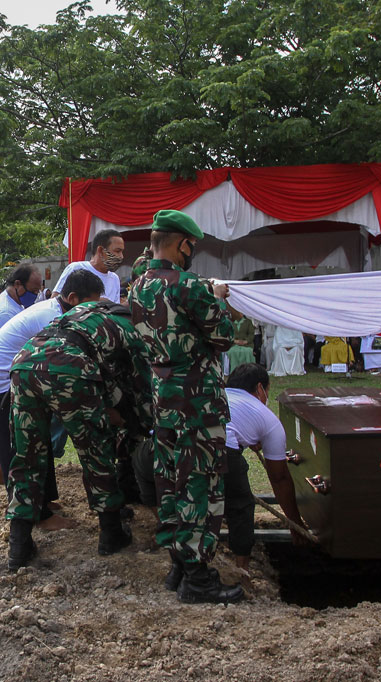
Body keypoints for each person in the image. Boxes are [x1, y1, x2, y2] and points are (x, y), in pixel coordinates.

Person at [129, 209, 242, 604]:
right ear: (181, 244)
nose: (192, 253)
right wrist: (218, 298)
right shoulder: (191, 285)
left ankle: (178, 563)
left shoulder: (138, 286)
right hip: (198, 401)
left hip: (164, 399)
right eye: (191, 246)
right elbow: (225, 337)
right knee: (201, 481)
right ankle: (198, 579)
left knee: (171, 480)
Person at [6, 296, 155, 570]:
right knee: (95, 451)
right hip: (69, 366)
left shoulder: (92, 310)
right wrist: (143, 424)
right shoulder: (136, 328)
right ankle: (111, 532)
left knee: (28, 456)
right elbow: (142, 386)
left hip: (24, 363)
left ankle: (19, 544)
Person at [0, 270, 108, 529]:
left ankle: (43, 502)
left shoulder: (58, 310)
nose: (93, 312)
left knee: (39, 439)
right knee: (19, 449)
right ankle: (34, 515)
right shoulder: (54, 318)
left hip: (16, 378)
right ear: (71, 297)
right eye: (90, 305)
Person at [222, 363, 308, 571]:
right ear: (260, 389)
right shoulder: (268, 419)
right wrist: (295, 524)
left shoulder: (219, 394)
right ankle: (241, 570)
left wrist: (248, 436)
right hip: (224, 450)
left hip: (189, 445)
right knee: (241, 505)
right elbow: (279, 479)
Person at [52, 229, 126, 302]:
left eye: (122, 252)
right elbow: (55, 301)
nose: (121, 256)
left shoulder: (114, 279)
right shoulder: (76, 269)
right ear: (100, 250)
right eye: (117, 251)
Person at [0, 264, 43, 345]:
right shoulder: (5, 313)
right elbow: (7, 349)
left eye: (37, 291)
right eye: (33, 290)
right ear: (17, 284)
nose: (35, 295)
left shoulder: (15, 302)